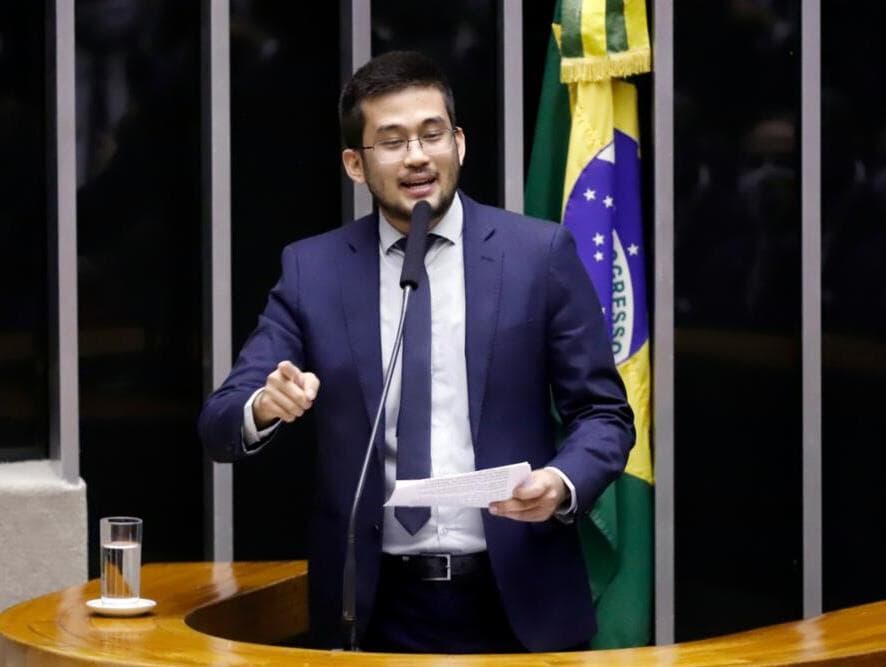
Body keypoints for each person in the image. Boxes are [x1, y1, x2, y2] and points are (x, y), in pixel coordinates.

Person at [199, 50, 634, 654]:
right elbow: (220, 424)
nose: (417, 157)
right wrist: (265, 406)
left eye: (432, 134)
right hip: (374, 608)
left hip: (518, 598)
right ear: (355, 164)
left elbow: (604, 414)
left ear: (459, 143)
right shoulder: (312, 270)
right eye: (392, 141)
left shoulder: (538, 256)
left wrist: (561, 482)